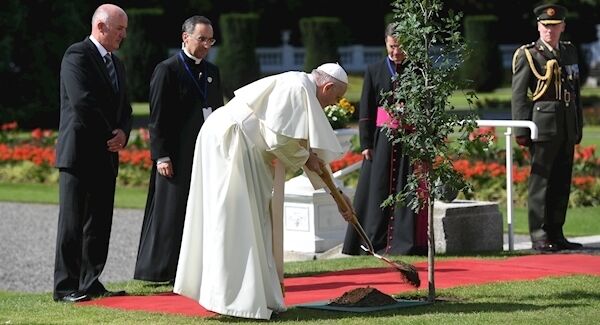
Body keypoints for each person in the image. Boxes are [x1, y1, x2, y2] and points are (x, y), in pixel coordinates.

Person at [173, 63, 353, 320]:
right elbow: (280, 140)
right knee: (236, 221)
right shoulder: (297, 87)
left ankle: (249, 297)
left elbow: (300, 147)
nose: (332, 105)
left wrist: (335, 194)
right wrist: (306, 159)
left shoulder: (300, 86)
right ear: (328, 87)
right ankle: (233, 300)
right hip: (232, 144)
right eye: (335, 98)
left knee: (250, 221)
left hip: (232, 142)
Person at [134, 15, 224, 283]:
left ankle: (196, 268)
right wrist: (161, 155)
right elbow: (157, 118)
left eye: (211, 40)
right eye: (202, 39)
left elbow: (218, 113)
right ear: (186, 37)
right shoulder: (167, 70)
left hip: (204, 154)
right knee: (171, 213)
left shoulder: (212, 72)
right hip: (175, 155)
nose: (207, 45)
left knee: (200, 211)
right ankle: (161, 270)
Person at [53, 4, 132, 302]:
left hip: (107, 154)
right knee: (72, 223)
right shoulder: (76, 55)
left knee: (99, 223)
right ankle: (65, 287)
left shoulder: (117, 64)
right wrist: (109, 135)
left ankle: (90, 281)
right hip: (79, 153)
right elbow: (82, 101)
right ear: (101, 27)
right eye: (120, 29)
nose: (124, 35)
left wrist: (123, 132)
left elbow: (126, 108)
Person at [342, 23, 427, 256]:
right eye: (392, 47)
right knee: (376, 191)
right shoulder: (375, 69)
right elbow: (367, 111)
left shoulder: (419, 70)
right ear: (385, 43)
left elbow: (426, 107)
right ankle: (372, 243)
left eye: (400, 47)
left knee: (407, 189)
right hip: (382, 140)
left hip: (410, 140)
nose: (396, 52)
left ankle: (405, 243)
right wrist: (366, 143)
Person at [511, 4, 583, 252]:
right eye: (545, 26)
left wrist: (578, 125)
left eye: (554, 26)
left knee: (562, 180)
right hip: (541, 126)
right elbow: (519, 95)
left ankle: (556, 231)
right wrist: (521, 131)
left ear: (562, 26)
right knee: (541, 182)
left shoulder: (570, 52)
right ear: (538, 26)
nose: (549, 31)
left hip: (566, 123)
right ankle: (539, 234)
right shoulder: (529, 54)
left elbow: (576, 93)